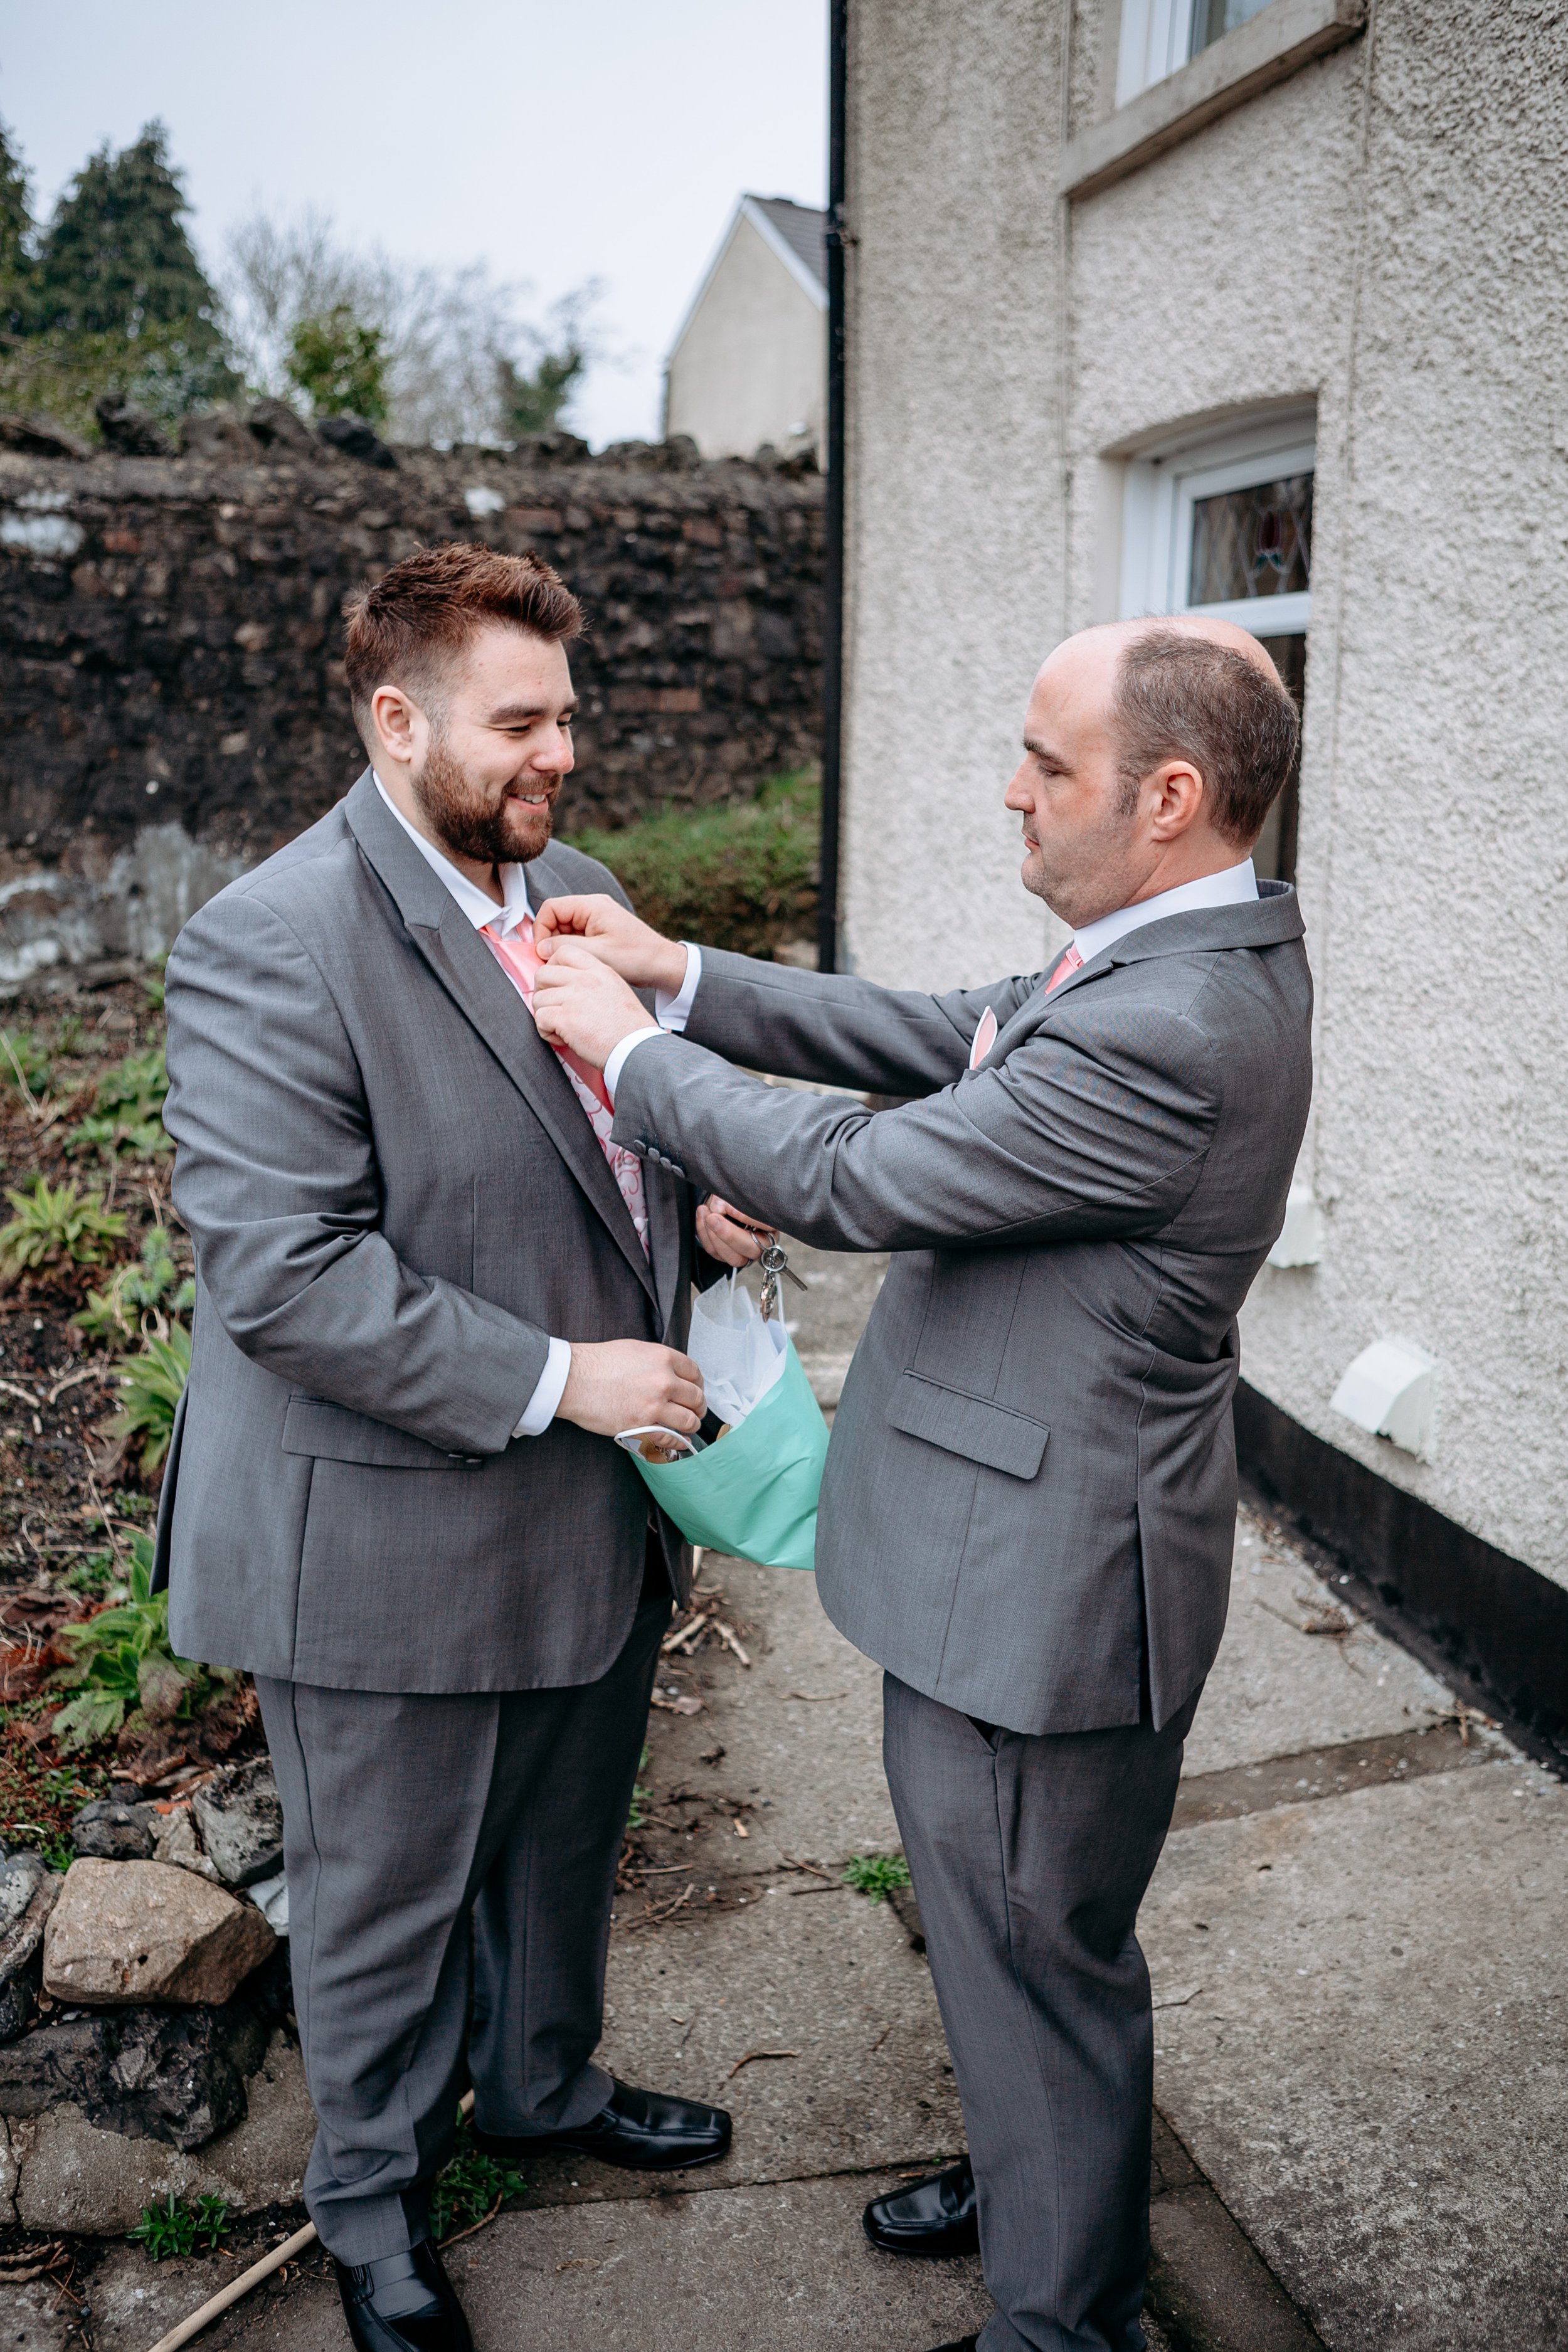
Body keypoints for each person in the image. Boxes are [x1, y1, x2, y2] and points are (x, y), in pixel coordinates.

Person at [527, 617, 1314, 2352]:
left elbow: (859, 1172)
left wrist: (632, 1058)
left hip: (1043, 1597)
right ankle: (1043, 2175)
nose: (1009, 794)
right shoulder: (1157, 952)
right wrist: (684, 973)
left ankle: (1066, 2320)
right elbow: (946, 1030)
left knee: (1042, 1956)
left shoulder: (1174, 1020)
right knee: (1011, 1942)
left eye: (1046, 764)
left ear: (1167, 797)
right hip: (1009, 1551)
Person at [157, 543, 761, 2352]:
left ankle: (548, 2087)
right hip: (384, 1526)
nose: (557, 756)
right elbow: (285, 1275)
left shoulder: (573, 888)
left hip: (594, 1506)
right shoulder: (270, 935)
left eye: (565, 717)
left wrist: (703, 1220)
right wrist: (562, 1378)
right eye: (520, 723)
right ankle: (374, 2207)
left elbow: (608, 1157)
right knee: (385, 1895)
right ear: (396, 718)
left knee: (566, 1846)